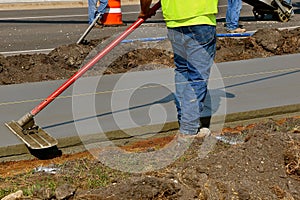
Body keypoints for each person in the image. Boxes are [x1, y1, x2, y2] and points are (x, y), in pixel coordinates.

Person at [139, 0, 217, 137]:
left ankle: (185, 121)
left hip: (174, 23)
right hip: (200, 19)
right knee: (197, 76)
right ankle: (189, 129)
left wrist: (145, 10)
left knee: (183, 71)